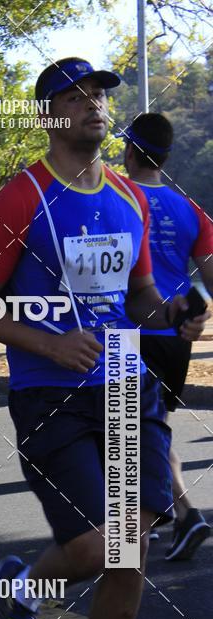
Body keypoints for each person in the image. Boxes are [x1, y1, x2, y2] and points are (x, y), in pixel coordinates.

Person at [0, 58, 209, 619]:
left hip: (127, 385)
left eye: (99, 94)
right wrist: (50, 344)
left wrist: (176, 312)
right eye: (76, 95)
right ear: (47, 117)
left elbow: (142, 299)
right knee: (99, 548)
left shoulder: (129, 197)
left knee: (135, 547)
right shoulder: (20, 199)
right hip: (50, 394)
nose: (94, 104)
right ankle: (21, 591)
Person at [123, 112, 213, 559]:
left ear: (128, 149)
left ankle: (175, 516)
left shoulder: (114, 195)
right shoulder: (191, 209)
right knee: (148, 431)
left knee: (127, 433)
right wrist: (200, 318)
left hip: (128, 328)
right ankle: (157, 519)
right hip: (177, 334)